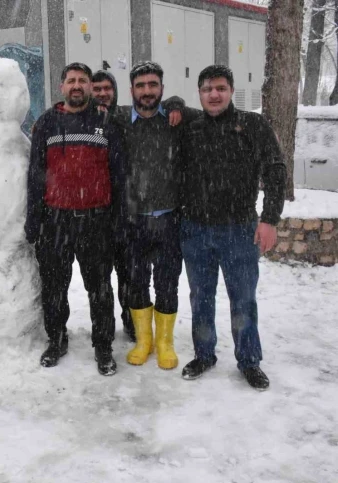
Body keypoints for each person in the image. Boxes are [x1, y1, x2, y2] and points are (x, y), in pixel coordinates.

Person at [179, 65, 286, 390]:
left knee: (242, 298)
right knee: (201, 298)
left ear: (231, 91)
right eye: (207, 88)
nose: (214, 94)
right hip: (196, 229)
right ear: (199, 93)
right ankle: (204, 354)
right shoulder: (191, 128)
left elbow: (276, 169)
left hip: (239, 231)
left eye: (221, 88)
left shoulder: (252, 125)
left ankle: (249, 361)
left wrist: (269, 219)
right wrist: (172, 104)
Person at [26, 62, 123, 375]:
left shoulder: (105, 121)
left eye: (83, 80)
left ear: (90, 87)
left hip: (96, 221)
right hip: (56, 221)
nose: (77, 85)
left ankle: (103, 345)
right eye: (71, 80)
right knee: (54, 287)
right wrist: (34, 220)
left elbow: (119, 174)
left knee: (100, 288)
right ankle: (56, 339)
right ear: (62, 86)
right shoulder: (46, 123)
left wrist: (118, 218)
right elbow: (35, 175)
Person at [103, 62, 183, 371]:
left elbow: (202, 111)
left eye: (153, 85)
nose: (147, 91)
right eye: (140, 85)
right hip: (132, 220)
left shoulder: (178, 119)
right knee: (135, 283)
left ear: (162, 88)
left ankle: (164, 342)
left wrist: (175, 103)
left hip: (168, 220)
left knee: (167, 283)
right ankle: (144, 340)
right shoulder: (120, 120)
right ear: (132, 89)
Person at [91, 70, 134, 343]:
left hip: (128, 215)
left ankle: (132, 326)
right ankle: (103, 331)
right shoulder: (82, 123)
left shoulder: (128, 120)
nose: (103, 93)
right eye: (97, 88)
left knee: (130, 279)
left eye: (107, 88)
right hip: (97, 218)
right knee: (100, 282)